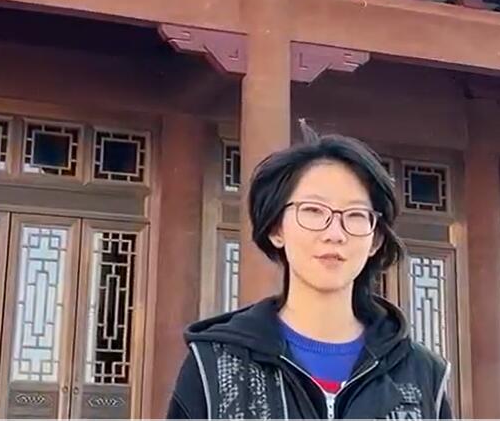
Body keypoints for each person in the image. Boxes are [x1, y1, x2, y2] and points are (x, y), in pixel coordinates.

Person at [166, 122, 453, 419]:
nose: (334, 234)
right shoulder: (214, 365)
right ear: (276, 228)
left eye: (355, 215)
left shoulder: (422, 375)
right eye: (314, 211)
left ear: (375, 239)